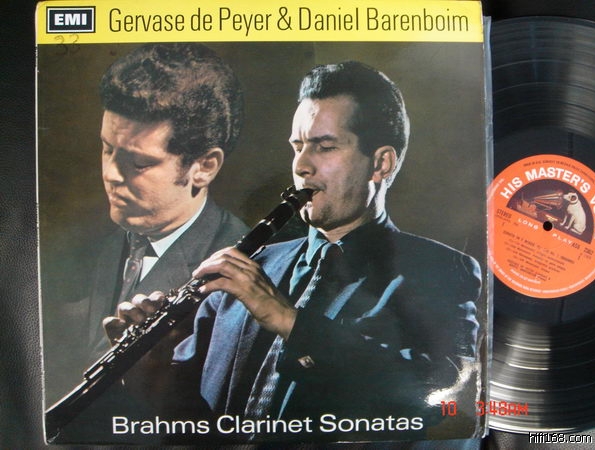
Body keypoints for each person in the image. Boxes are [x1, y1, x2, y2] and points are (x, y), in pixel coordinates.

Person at [115, 61, 481, 443]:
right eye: (298, 147)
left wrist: (289, 321)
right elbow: (192, 423)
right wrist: (150, 366)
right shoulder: (246, 271)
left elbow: (437, 402)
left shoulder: (442, 270)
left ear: (380, 163)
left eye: (325, 147)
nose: (302, 166)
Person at [44, 43, 249, 409]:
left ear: (204, 167)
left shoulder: (245, 269)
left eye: (138, 163)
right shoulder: (88, 249)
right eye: (107, 149)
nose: (110, 175)